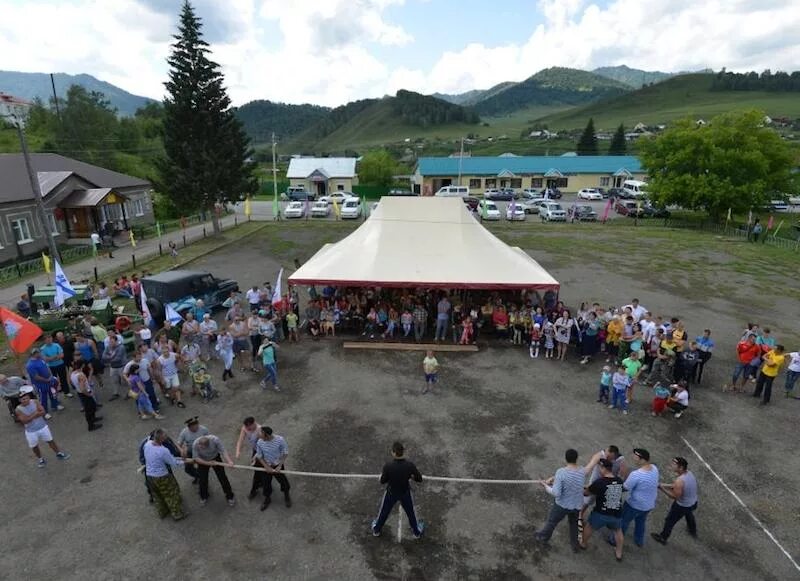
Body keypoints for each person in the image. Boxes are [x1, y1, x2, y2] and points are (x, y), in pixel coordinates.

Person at [535, 449, 599, 551]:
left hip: (562, 505)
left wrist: (545, 486)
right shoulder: (582, 471)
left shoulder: (561, 472)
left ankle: (542, 537)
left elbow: (556, 493)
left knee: (552, 522)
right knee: (573, 525)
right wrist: (553, 479)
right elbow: (571, 479)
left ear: (566, 458)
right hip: (576, 505)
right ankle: (575, 545)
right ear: (576, 458)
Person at [371, 441, 425, 538]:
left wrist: (381, 477)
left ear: (394, 452)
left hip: (391, 493)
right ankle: (416, 532)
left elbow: (383, 481)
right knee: (411, 513)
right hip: (405, 492)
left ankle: (376, 530)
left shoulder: (388, 466)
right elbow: (419, 479)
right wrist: (411, 476)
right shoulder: (409, 465)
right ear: (403, 452)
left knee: (384, 512)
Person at [611, 448, 659, 548]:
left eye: (635, 457)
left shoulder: (636, 475)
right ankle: (639, 540)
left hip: (634, 505)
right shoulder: (654, 468)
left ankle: (614, 540)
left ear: (642, 459)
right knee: (641, 522)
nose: (633, 458)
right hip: (649, 504)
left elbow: (625, 487)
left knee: (623, 522)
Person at [580, 458, 625, 561]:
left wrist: (587, 488)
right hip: (616, 513)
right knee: (618, 531)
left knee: (589, 527)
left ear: (603, 468)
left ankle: (583, 544)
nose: (599, 469)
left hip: (601, 513)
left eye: (600, 467)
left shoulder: (600, 482)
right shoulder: (619, 480)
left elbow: (586, 493)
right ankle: (619, 553)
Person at [15, 386, 70, 468]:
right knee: (34, 446)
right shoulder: (18, 409)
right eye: (23, 399)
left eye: (26, 398)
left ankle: (59, 453)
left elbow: (43, 411)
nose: (25, 400)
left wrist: (31, 416)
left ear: (29, 397)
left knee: (51, 441)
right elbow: (25, 421)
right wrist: (36, 414)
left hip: (43, 427)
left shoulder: (35, 402)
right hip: (31, 431)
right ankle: (40, 459)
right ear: (20, 400)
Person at [651, 457, 699, 545]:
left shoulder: (680, 481)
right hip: (693, 502)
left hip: (682, 506)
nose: (671, 465)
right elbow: (677, 486)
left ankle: (663, 537)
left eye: (674, 464)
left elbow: (674, 496)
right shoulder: (689, 474)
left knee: (670, 521)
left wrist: (661, 488)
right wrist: (664, 484)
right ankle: (692, 530)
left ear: (680, 468)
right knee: (689, 514)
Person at [144, 428, 189, 520]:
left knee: (157, 495)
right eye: (165, 436)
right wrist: (185, 461)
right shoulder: (163, 450)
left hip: (149, 475)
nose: (166, 437)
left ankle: (162, 512)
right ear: (161, 439)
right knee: (171, 494)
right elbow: (174, 463)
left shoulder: (147, 444)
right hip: (162, 476)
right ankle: (177, 514)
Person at [254, 426, 291, 511]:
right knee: (266, 483)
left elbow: (285, 453)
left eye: (262, 434)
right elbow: (259, 456)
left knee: (283, 482)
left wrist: (279, 466)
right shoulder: (260, 442)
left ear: (267, 435)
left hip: (277, 465)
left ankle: (287, 496)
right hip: (266, 466)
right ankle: (267, 499)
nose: (260, 436)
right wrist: (266, 466)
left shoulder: (280, 440)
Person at [192, 435, 236, 507]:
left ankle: (230, 496)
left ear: (207, 445)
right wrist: (208, 463)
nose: (199, 447)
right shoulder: (195, 444)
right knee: (202, 480)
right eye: (199, 445)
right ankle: (204, 496)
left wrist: (229, 461)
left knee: (222, 477)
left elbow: (223, 451)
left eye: (202, 447)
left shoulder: (215, 440)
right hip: (203, 460)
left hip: (215, 458)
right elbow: (196, 458)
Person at [25, 348, 63, 418]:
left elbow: (47, 367)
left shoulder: (41, 359)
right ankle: (44, 412)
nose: (40, 354)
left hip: (49, 380)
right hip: (40, 384)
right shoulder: (30, 365)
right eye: (39, 352)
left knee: (53, 393)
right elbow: (36, 377)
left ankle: (55, 405)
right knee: (43, 398)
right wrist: (46, 380)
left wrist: (51, 375)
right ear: (34, 354)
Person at [235, 417, 265, 499]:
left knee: (258, 471)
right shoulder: (245, 428)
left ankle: (254, 489)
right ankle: (261, 483)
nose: (248, 429)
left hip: (263, 451)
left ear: (254, 423)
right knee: (258, 469)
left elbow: (261, 447)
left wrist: (255, 458)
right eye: (247, 427)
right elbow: (240, 440)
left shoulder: (260, 430)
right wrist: (238, 451)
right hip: (255, 450)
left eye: (249, 427)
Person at [70, 361, 102, 431]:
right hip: (85, 393)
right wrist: (89, 394)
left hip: (80, 393)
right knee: (89, 410)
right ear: (82, 365)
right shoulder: (81, 375)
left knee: (92, 406)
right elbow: (82, 389)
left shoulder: (72, 374)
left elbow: (72, 383)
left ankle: (93, 419)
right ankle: (91, 426)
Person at [177, 417, 209, 484]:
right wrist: (182, 450)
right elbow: (178, 444)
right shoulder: (184, 432)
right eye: (194, 427)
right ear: (189, 427)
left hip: (201, 452)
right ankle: (197, 476)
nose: (196, 428)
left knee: (203, 468)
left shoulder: (204, 429)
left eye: (197, 425)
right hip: (190, 452)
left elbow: (209, 441)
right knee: (188, 469)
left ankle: (203, 479)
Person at [40, 334, 71, 398]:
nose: (49, 340)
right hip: (51, 367)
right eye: (47, 339)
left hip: (60, 364)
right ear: (44, 341)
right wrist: (56, 356)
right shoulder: (42, 349)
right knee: (53, 380)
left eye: (50, 338)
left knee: (63, 378)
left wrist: (51, 358)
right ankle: (55, 393)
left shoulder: (56, 345)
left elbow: (62, 355)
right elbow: (45, 359)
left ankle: (66, 392)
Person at [102, 335, 127, 400]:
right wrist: (111, 357)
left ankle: (127, 393)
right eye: (110, 342)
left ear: (116, 341)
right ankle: (115, 393)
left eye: (112, 342)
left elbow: (118, 359)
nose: (111, 343)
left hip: (121, 366)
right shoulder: (108, 347)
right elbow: (103, 356)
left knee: (123, 381)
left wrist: (109, 359)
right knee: (114, 381)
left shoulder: (121, 347)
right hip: (113, 367)